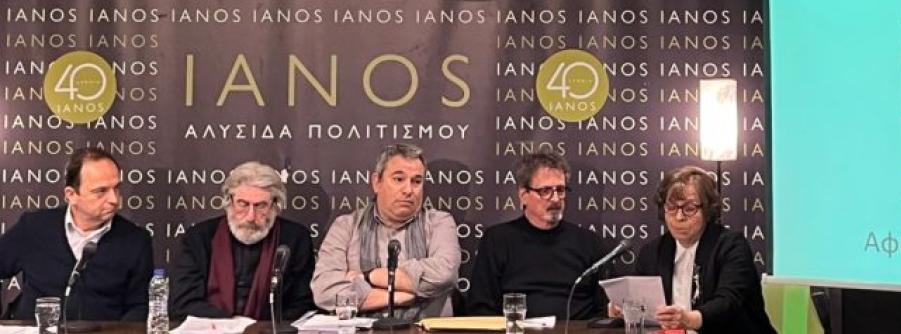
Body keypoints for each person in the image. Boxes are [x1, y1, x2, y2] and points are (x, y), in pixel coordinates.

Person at [0, 147, 153, 321]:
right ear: (71, 195)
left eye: (116, 188)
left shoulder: (135, 241)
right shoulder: (33, 227)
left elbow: (139, 307)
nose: (114, 199)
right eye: (101, 191)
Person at [311, 144, 459, 323]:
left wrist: (368, 277)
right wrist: (399, 296)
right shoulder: (345, 226)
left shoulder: (439, 223)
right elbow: (325, 291)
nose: (408, 190)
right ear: (377, 182)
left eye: (416, 181)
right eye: (398, 179)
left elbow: (444, 275)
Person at [619, 166, 775, 334]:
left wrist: (688, 319)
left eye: (689, 209)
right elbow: (639, 300)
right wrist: (624, 307)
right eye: (671, 207)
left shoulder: (731, 246)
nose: (679, 217)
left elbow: (728, 302)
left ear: (707, 210)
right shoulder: (652, 252)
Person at [466, 150, 607, 320]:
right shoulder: (497, 240)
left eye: (560, 190)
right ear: (523, 195)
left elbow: (605, 309)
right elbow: (481, 307)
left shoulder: (589, 242)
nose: (555, 199)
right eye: (545, 191)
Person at [169, 161, 316, 321]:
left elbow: (302, 304)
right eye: (243, 204)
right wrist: (234, 325)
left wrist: (261, 328)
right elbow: (183, 304)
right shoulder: (198, 238)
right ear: (229, 202)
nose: (251, 217)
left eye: (261, 206)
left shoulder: (295, 239)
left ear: (275, 206)